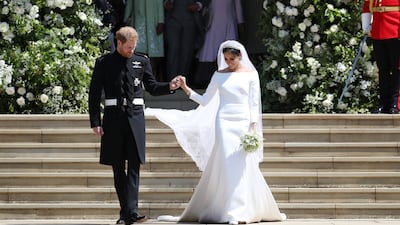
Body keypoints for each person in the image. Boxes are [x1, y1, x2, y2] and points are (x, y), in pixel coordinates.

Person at [146, 40, 286, 224]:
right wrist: (186, 88)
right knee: (227, 162)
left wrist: (253, 126)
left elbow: (253, 102)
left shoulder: (251, 74)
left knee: (242, 163)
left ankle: (242, 209)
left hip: (243, 121)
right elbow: (205, 100)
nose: (229, 62)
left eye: (232, 59)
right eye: (226, 59)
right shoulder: (218, 75)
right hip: (224, 121)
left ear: (240, 57)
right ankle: (230, 211)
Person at [88, 26, 181, 225]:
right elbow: (94, 94)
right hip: (113, 119)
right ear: (118, 43)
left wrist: (170, 87)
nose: (131, 50)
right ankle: (126, 213)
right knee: (117, 166)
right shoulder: (104, 63)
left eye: (133, 47)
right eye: (128, 47)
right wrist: (95, 121)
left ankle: (131, 212)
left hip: (135, 118)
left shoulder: (142, 60)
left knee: (134, 166)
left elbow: (153, 87)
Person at [193, 0, 244, 89]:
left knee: (228, 51)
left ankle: (228, 81)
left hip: (229, 22)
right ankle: (205, 80)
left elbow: (237, 5)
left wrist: (240, 22)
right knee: (209, 51)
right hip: (213, 22)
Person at [361, 0, 400, 114]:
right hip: (378, 31)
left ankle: (395, 103)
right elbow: (368, 6)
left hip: (395, 30)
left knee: (397, 68)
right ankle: (383, 103)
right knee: (383, 69)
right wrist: (367, 26)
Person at [163, 0, 206, 81]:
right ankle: (172, 80)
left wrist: (198, 5)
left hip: (191, 18)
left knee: (187, 51)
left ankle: (182, 80)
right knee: (173, 50)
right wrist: (165, 3)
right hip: (172, 18)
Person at [124, 0, 166, 81]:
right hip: (138, 22)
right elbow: (130, 3)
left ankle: (152, 79)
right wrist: (126, 19)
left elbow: (160, 3)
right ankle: (137, 79)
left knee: (153, 55)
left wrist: (161, 21)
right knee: (137, 52)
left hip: (153, 22)